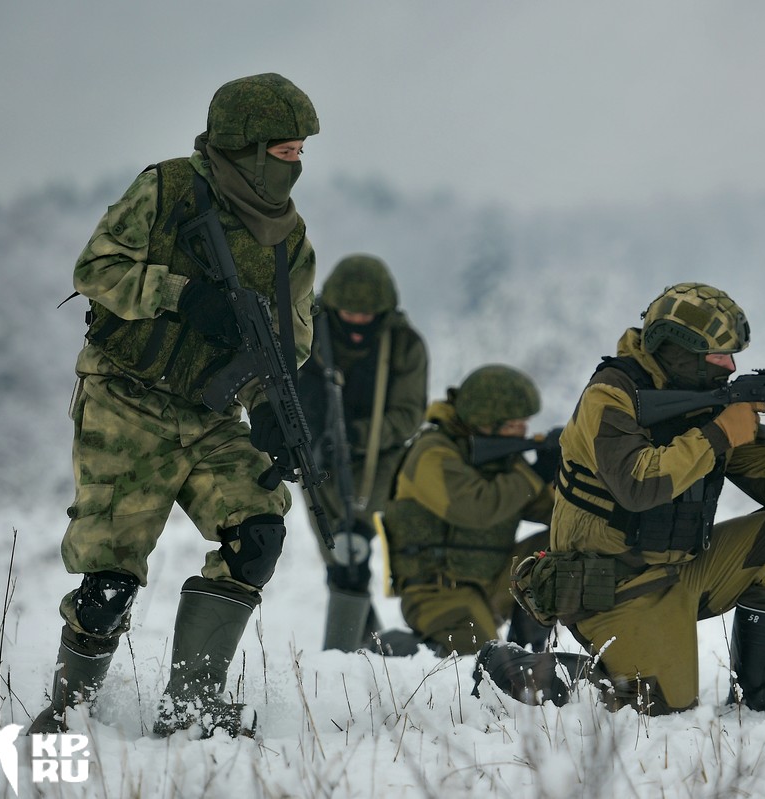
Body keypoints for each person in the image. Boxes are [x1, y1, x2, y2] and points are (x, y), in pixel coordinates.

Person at [29, 73, 320, 738]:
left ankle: (191, 706)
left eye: (301, 154)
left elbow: (291, 342)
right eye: (283, 152)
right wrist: (181, 294)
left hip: (211, 418)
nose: (294, 166)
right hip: (124, 399)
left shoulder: (290, 242)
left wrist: (269, 405)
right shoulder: (165, 190)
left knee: (258, 533)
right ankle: (67, 714)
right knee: (109, 583)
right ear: (245, 149)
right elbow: (95, 270)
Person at [475, 282, 765, 715]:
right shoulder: (611, 395)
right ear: (678, 349)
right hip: (610, 588)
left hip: (683, 572)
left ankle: (757, 697)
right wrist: (719, 434)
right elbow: (636, 485)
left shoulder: (709, 399)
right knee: (660, 710)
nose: (731, 365)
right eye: (719, 356)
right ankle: (524, 664)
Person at [296, 254, 428, 651]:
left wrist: (355, 435)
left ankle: (345, 656)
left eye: (365, 315)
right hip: (313, 455)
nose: (356, 323)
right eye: (348, 314)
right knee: (338, 559)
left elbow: (408, 416)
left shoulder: (404, 346)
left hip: (377, 461)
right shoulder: (307, 332)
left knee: (354, 549)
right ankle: (363, 644)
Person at [378, 365, 557, 656]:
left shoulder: (503, 461)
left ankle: (528, 644)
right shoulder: (432, 453)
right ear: (485, 421)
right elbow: (476, 508)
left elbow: (553, 514)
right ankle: (401, 652)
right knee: (481, 669)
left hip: (491, 583)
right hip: (437, 593)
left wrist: (565, 476)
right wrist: (534, 474)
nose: (522, 432)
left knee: (562, 544)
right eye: (513, 425)